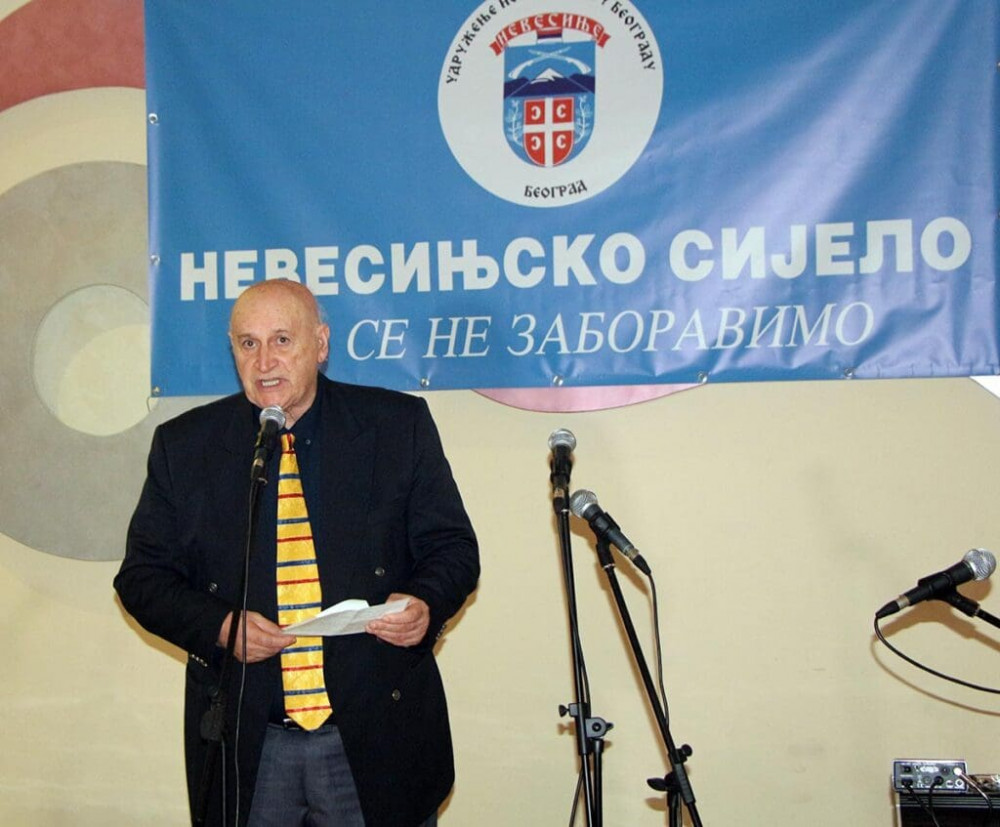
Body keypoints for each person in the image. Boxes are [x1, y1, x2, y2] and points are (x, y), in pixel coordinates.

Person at [114, 279, 479, 827]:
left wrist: (425, 604)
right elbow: (142, 578)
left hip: (372, 732)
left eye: (282, 340)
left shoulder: (394, 426)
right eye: (248, 343)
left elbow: (452, 547)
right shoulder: (186, 446)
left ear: (321, 344)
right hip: (251, 742)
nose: (265, 362)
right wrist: (221, 627)